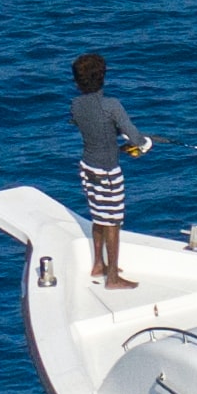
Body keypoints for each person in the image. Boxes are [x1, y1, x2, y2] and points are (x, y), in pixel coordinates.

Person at [66, 52, 156, 290]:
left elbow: (88, 124)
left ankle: (98, 264)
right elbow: (136, 137)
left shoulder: (75, 105)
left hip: (87, 168)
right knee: (112, 222)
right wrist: (143, 143)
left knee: (98, 216)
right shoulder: (112, 105)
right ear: (103, 77)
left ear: (78, 81)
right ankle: (113, 278)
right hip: (108, 173)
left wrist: (114, 134)